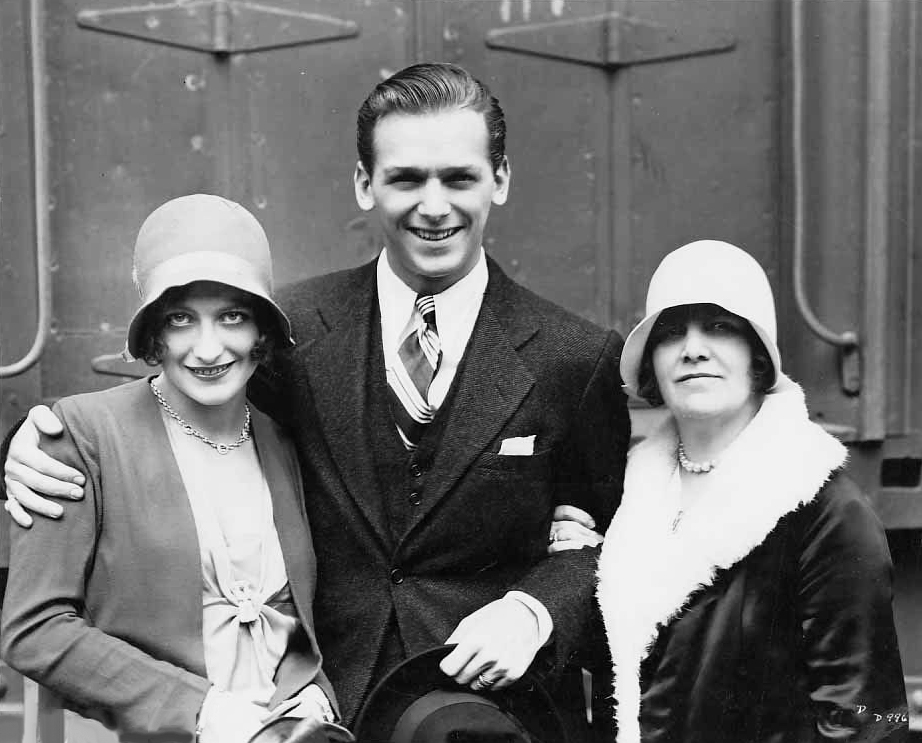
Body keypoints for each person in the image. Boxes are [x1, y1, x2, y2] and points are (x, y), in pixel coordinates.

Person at [2, 63, 631, 733]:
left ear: (500, 179)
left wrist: (534, 608)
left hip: (492, 712)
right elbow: (182, 409)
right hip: (322, 708)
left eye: (459, 177)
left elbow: (620, 548)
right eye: (406, 178)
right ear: (365, 184)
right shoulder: (289, 330)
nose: (435, 204)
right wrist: (27, 448)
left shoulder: (578, 356)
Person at [1, 195, 338, 742]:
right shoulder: (82, 433)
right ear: (155, 335)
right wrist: (205, 712)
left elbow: (294, 621)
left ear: (261, 335)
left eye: (233, 316)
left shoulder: (280, 440)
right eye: (182, 319)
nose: (208, 349)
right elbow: (34, 630)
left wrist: (316, 688)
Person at [592, 240, 907, 742]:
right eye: (672, 333)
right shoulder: (631, 495)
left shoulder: (823, 509)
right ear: (652, 362)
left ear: (759, 357)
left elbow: (867, 721)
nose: (693, 348)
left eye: (719, 327)